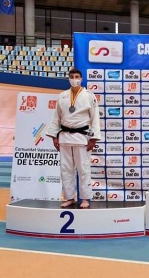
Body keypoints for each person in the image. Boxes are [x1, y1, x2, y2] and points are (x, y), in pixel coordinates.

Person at [47, 68, 101, 208]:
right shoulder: (62, 96)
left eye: (77, 76)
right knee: (66, 168)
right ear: (69, 79)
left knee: (83, 168)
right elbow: (56, 117)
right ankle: (69, 197)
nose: (74, 79)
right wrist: (54, 136)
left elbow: (95, 118)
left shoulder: (89, 95)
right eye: (72, 76)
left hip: (82, 137)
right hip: (64, 136)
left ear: (81, 79)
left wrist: (94, 138)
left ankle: (85, 198)